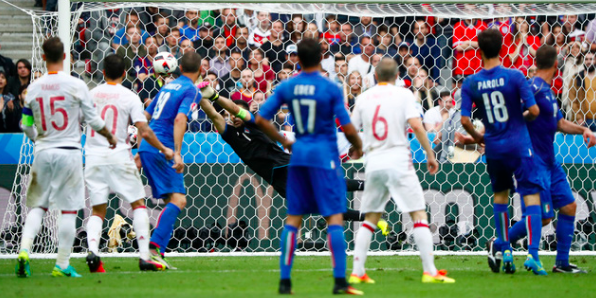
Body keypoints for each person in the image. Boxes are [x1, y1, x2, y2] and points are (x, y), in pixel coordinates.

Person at [255, 38, 364, 295]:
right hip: (325, 158)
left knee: (293, 219)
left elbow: (260, 118)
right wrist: (357, 144)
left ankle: (285, 281)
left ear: (298, 59)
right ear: (322, 57)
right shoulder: (330, 87)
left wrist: (284, 140)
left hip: (299, 155)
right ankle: (339, 282)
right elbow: (347, 127)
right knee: (334, 218)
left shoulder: (288, 86)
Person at [197, 89, 388, 228]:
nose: (233, 116)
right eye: (229, 114)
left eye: (235, 113)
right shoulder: (229, 134)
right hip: (277, 180)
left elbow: (232, 107)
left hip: (287, 165)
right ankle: (370, 217)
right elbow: (213, 114)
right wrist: (197, 95)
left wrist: (213, 95)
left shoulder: (253, 123)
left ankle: (371, 185)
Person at [15, 37, 117, 278]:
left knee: (38, 206)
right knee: (69, 210)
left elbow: (25, 124)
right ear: (64, 57)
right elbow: (93, 119)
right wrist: (109, 136)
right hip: (69, 152)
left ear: (42, 57)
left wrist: (37, 138)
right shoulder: (76, 85)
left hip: (43, 151)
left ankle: (24, 251)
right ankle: (61, 264)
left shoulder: (33, 89)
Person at [349, 58, 454, 285]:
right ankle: (429, 271)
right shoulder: (404, 94)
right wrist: (430, 153)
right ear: (397, 76)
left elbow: (350, 126)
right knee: (418, 214)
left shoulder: (364, 97)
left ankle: (357, 272)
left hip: (374, 161)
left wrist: (357, 149)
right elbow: (416, 125)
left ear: (375, 76)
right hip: (398, 160)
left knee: (370, 218)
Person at [459, 29, 545, 275]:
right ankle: (533, 255)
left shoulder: (471, 82)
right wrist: (519, 116)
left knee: (500, 198)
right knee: (531, 198)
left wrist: (479, 137)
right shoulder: (516, 76)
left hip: (494, 148)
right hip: (519, 146)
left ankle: (506, 250)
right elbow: (535, 111)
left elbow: (465, 120)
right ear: (502, 47)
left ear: (479, 50)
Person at [506, 46, 595, 273]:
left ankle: (562, 263)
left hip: (550, 162)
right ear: (556, 65)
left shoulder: (547, 91)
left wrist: (583, 129)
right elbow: (513, 116)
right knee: (543, 219)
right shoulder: (532, 89)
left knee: (569, 206)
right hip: (534, 163)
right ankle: (500, 242)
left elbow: (559, 123)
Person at [84, 55, 174, 273]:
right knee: (138, 204)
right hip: (120, 155)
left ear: (102, 72)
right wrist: (163, 149)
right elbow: (143, 129)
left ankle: (94, 252)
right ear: (125, 74)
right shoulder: (130, 96)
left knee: (97, 209)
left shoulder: (90, 94)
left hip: (94, 156)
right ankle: (144, 257)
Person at [135, 52, 202, 269]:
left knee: (169, 201)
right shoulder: (191, 89)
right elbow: (180, 118)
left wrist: (139, 149)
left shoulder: (167, 86)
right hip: (162, 148)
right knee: (179, 200)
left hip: (148, 146)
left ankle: (157, 254)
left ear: (179, 68)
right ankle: (152, 251)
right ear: (200, 71)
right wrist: (177, 152)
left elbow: (145, 116)